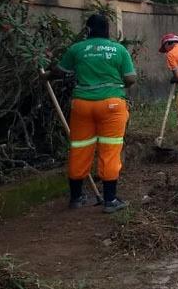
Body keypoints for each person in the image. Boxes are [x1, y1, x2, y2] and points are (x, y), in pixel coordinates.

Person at [51, 14, 136, 213]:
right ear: (108, 30)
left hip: (82, 104)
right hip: (111, 105)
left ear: (88, 30)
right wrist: (118, 86)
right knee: (110, 150)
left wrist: (46, 75)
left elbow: (59, 72)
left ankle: (76, 198)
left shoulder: (77, 49)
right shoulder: (118, 49)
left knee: (80, 147)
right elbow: (131, 78)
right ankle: (110, 200)